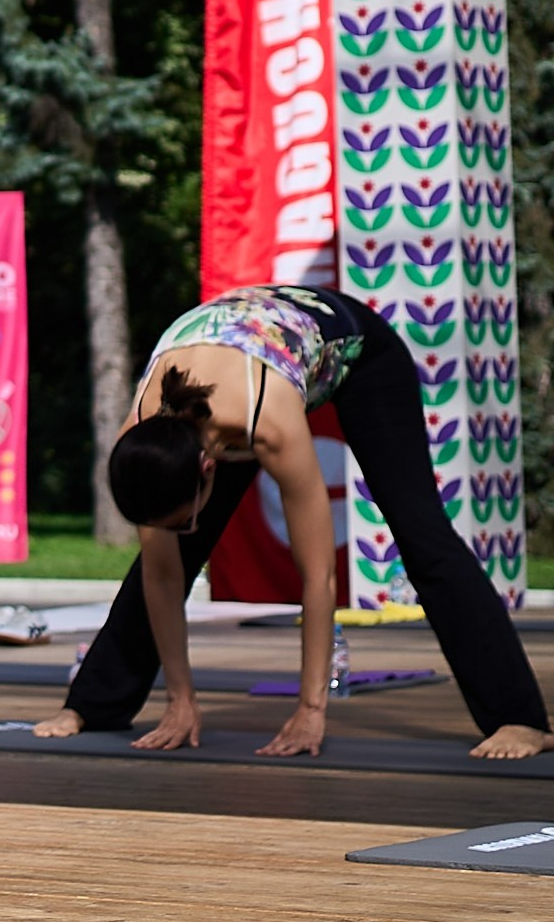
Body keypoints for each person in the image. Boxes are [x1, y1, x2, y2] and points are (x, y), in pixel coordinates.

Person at [34, 283, 548, 762]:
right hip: (235, 355)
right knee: (164, 554)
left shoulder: (268, 421)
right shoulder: (146, 440)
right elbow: (163, 574)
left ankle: (519, 718)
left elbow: (318, 575)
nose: (185, 528)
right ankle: (97, 703)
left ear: (209, 466)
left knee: (422, 535)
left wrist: (311, 708)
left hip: (357, 353)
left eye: (186, 517)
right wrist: (180, 700)